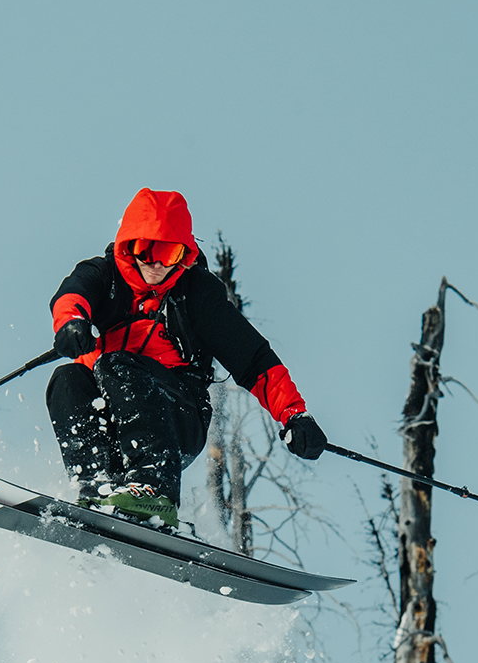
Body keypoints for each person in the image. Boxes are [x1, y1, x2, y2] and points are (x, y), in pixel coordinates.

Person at [46, 187, 326, 529]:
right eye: (147, 249)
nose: (156, 263)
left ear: (185, 254)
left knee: (114, 363)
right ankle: (97, 488)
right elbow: (73, 293)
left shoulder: (196, 293)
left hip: (176, 419)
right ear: (128, 246)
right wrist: (72, 323)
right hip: (115, 421)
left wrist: (294, 415)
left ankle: (153, 491)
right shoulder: (105, 275)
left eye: (169, 253)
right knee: (67, 378)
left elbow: (254, 359)